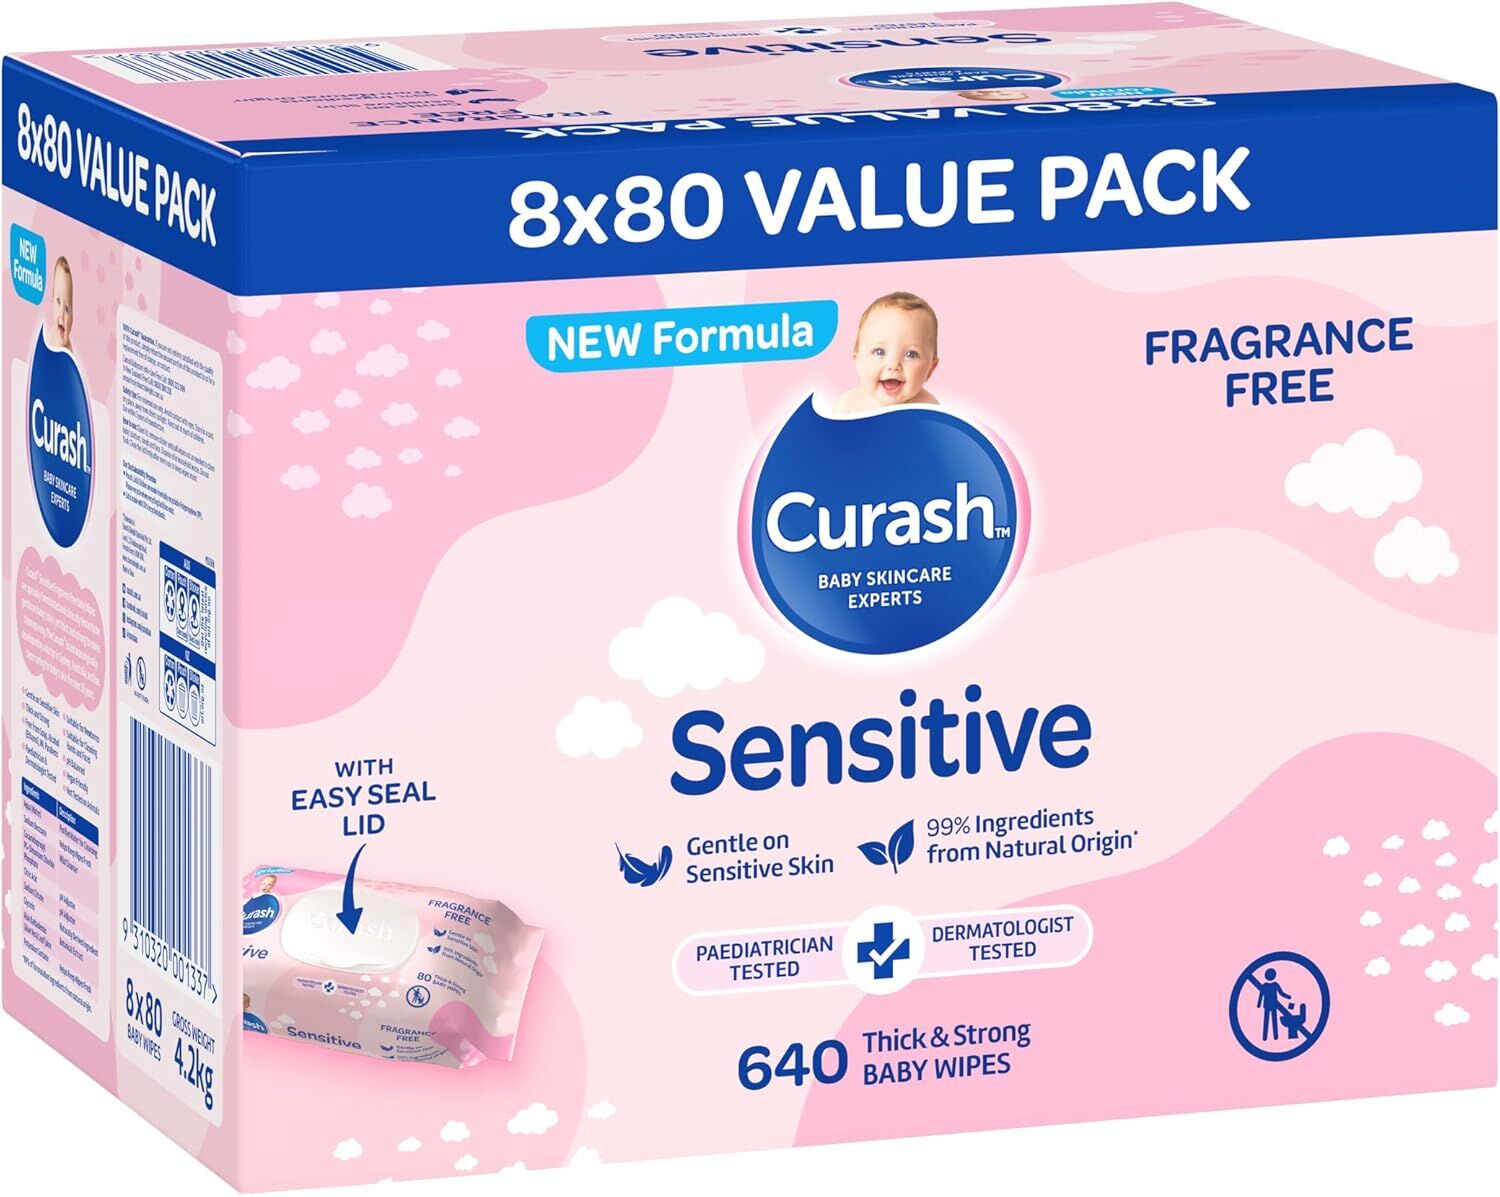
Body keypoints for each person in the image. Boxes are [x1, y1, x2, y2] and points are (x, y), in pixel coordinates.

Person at [832, 291, 940, 414]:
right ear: (858, 361)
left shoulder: (928, 408)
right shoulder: (848, 405)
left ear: (930, 369)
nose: (893, 365)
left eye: (911, 354)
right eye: (879, 352)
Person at [1256, 967, 1293, 1040]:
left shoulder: (1266, 985)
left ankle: (1267, 1037)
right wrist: (1288, 997)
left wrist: (1259, 1004)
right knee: (1272, 1021)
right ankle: (1273, 1037)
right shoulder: (1274, 985)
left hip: (1269, 1005)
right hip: (1271, 1005)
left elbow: (1261, 996)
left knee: (1269, 1021)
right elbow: (1281, 993)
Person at [48, 257, 74, 350]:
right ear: (52, 299)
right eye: (58, 301)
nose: (61, 314)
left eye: (66, 309)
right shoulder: (49, 336)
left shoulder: (67, 352)